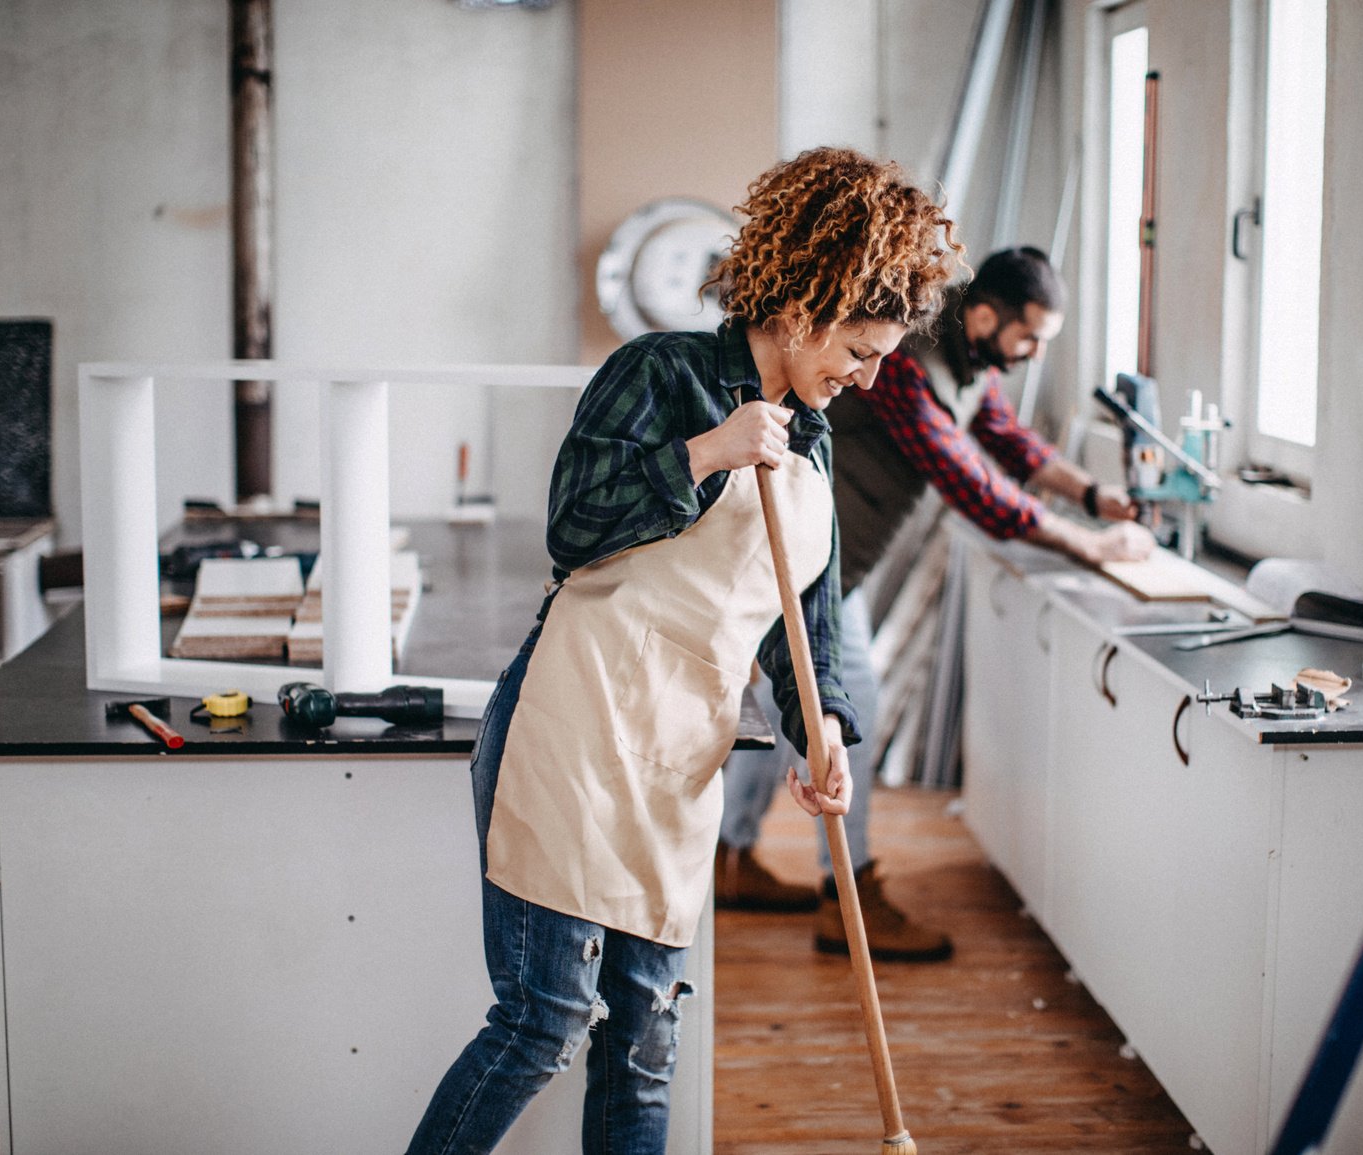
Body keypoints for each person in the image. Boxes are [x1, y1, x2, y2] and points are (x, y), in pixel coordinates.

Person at [405, 147, 961, 1155]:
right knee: (545, 1022)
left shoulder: (817, 439)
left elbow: (810, 623)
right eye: (860, 349)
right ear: (800, 313)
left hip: (677, 757)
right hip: (573, 727)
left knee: (646, 1033)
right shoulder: (657, 374)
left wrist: (823, 729)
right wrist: (706, 451)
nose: (867, 377)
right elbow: (573, 527)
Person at [715, 246, 1154, 963]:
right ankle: (847, 900)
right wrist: (1092, 546)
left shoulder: (969, 364)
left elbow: (1005, 439)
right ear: (985, 315)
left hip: (831, 564)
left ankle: (731, 860)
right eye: (1030, 336)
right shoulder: (908, 360)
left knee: (789, 709)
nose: (1034, 351)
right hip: (805, 559)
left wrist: (1094, 496)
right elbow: (966, 478)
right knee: (847, 710)